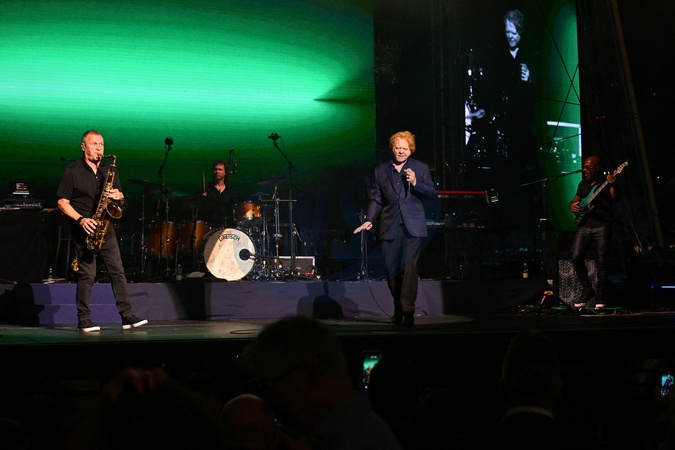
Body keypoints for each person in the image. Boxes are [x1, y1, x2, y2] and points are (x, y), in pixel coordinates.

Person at [240, 315, 403, 449]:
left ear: (308, 373)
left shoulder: (349, 441)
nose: (267, 404)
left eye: (271, 386)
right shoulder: (361, 430)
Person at [56, 130, 148, 332]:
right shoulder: (72, 171)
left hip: (106, 228)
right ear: (83, 147)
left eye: (101, 144)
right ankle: (83, 319)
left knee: (118, 272)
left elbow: (120, 203)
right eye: (94, 144)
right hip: (84, 229)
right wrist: (81, 220)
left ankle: (126, 315)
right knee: (87, 274)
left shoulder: (109, 170)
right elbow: (62, 202)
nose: (99, 148)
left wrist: (119, 196)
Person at [353, 131, 435, 327]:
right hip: (390, 225)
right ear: (392, 148)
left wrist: (415, 182)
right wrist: (369, 219)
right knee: (391, 269)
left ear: (411, 150)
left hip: (413, 225)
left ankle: (407, 311)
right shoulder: (381, 171)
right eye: (398, 147)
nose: (401, 151)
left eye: (404, 148)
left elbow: (431, 194)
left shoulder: (420, 168)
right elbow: (376, 199)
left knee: (409, 267)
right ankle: (398, 309)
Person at [568, 155, 618, 309]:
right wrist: (572, 206)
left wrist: (612, 184)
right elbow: (574, 201)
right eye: (584, 167)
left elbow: (615, 198)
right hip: (585, 225)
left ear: (597, 168)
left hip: (602, 225)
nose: (585, 170)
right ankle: (588, 290)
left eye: (589, 167)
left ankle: (601, 296)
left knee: (602, 261)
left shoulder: (605, 181)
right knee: (576, 256)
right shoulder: (583, 184)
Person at [201, 159, 237, 228]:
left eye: (220, 170)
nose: (217, 171)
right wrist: (202, 199)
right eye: (215, 169)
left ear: (225, 172)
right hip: (210, 225)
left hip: (227, 226)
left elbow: (235, 209)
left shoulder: (231, 191)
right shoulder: (206, 189)